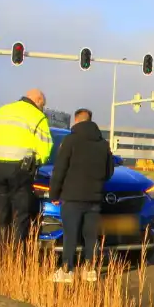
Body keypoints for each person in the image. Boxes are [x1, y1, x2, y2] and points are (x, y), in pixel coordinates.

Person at [48, 108, 113, 283]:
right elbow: (109, 171)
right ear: (90, 120)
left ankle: (67, 270)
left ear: (76, 121)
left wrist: (54, 193)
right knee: (90, 235)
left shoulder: (70, 140)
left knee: (70, 234)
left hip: (72, 197)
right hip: (94, 198)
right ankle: (89, 270)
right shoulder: (103, 144)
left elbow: (59, 169)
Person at [0, 89, 53, 249]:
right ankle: (16, 257)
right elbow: (45, 147)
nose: (42, 108)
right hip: (20, 170)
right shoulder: (37, 116)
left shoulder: (1, 111)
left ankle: (2, 255)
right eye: (43, 104)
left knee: (2, 214)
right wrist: (37, 162)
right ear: (38, 100)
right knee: (21, 215)